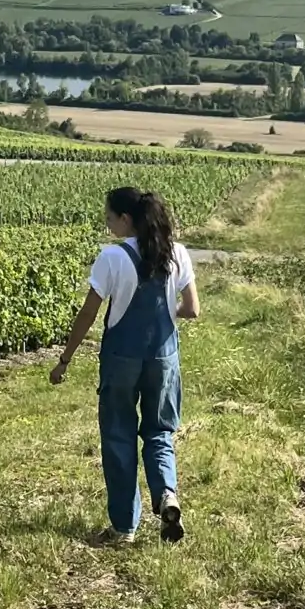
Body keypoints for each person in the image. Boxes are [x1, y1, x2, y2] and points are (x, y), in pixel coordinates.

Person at [50, 185, 200, 543]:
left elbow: (89, 312)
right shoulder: (176, 252)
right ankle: (167, 494)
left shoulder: (112, 258)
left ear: (126, 219)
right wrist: (165, 313)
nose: (107, 225)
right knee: (159, 432)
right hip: (163, 358)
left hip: (121, 359)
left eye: (109, 218)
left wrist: (65, 359)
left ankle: (124, 527)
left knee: (118, 436)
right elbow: (192, 309)